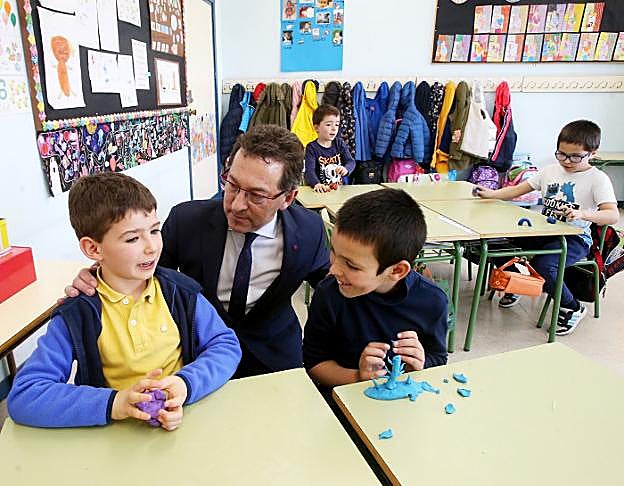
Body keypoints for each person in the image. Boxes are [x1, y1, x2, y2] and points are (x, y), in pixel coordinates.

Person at [66, 125, 330, 377]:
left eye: (256, 196)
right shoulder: (186, 221)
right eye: (232, 184)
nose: (236, 204)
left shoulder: (308, 230)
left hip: (274, 353)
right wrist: (100, 275)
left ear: (288, 198)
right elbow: (145, 275)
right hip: (199, 352)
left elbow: (331, 283)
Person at [8, 173, 241, 429]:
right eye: (132, 238)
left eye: (155, 230)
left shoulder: (181, 293)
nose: (152, 247)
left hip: (184, 422)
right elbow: (26, 394)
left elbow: (226, 345)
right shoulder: (79, 313)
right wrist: (115, 403)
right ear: (93, 249)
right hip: (112, 436)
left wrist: (185, 383)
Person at [474, 120, 618, 335]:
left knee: (545, 265)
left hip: (575, 238)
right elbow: (518, 190)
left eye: (575, 157)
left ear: (593, 153)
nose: (567, 161)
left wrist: (583, 214)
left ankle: (573, 308)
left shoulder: (597, 179)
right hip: (544, 231)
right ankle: (519, 283)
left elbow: (612, 215)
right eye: (561, 154)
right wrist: (491, 194)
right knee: (495, 243)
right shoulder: (550, 171)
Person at [303, 189, 448, 388]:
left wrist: (421, 364)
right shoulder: (329, 294)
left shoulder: (432, 301)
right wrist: (358, 377)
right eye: (334, 252)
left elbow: (438, 358)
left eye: (351, 265)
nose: (333, 269)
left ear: (397, 270)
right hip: (342, 396)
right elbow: (314, 363)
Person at [304, 104, 356, 193]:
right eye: (328, 125)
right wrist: (316, 183)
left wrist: (346, 169)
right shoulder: (311, 148)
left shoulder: (339, 143)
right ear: (316, 128)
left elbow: (351, 161)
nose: (334, 128)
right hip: (321, 192)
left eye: (337, 124)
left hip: (338, 191)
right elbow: (309, 171)